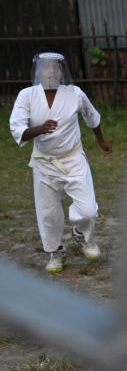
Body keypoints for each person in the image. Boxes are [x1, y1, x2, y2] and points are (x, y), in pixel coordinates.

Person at [9, 52, 112, 273]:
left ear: (61, 71)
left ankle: (81, 234)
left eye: (56, 68)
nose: (52, 72)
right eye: (47, 68)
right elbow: (17, 128)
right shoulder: (26, 96)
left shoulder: (74, 93)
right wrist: (40, 129)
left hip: (73, 158)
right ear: (38, 71)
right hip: (44, 163)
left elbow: (91, 116)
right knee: (48, 212)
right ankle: (55, 251)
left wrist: (101, 140)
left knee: (88, 211)